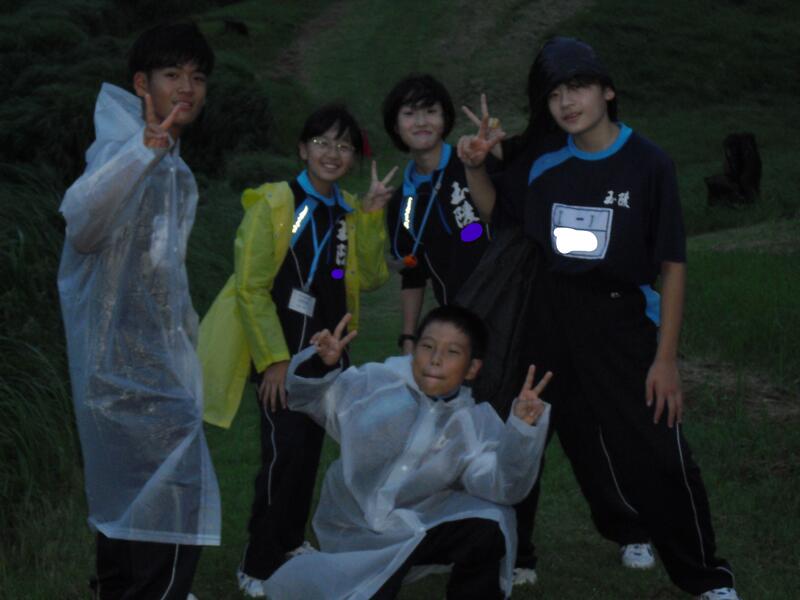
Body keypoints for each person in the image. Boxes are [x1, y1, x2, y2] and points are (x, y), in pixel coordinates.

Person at [457, 36, 740, 600]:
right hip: (549, 316)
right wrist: (475, 169)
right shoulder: (545, 165)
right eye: (555, 94)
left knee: (659, 450)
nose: (567, 102)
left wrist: (665, 359)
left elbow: (672, 266)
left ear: (608, 91)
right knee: (522, 433)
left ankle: (707, 579)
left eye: (579, 87)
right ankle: (512, 553)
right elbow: (501, 219)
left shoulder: (649, 164)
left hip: (620, 320)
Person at [197, 105, 393, 597]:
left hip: (329, 357)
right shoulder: (278, 203)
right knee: (283, 457)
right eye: (322, 142)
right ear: (303, 149)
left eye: (344, 146)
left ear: (353, 158)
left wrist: (372, 216)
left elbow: (371, 277)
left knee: (307, 455)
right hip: (282, 358)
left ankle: (287, 540)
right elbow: (251, 286)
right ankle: (258, 562)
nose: (333, 153)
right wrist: (274, 361)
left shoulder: (348, 211)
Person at [57, 22, 219, 599]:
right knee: (169, 518)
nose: (187, 88)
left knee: (129, 518)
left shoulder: (171, 164)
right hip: (128, 375)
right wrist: (140, 154)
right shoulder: (122, 148)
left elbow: (162, 277)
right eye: (172, 74)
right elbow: (81, 220)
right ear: (141, 84)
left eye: (197, 77)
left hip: (144, 367)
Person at [262, 306, 552, 599]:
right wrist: (322, 365)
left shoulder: (471, 426)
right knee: (353, 586)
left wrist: (521, 431)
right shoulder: (379, 384)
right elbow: (313, 399)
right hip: (351, 525)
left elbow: (502, 485)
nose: (435, 359)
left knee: (493, 520)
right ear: (414, 349)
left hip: (415, 527)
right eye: (428, 346)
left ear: (472, 368)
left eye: (452, 352)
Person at [382, 74, 491, 354]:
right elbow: (412, 273)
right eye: (409, 114)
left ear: (445, 118)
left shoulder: (473, 161)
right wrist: (409, 337)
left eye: (430, 111)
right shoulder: (402, 201)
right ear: (395, 126)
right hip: (461, 327)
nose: (421, 122)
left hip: (508, 305)